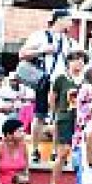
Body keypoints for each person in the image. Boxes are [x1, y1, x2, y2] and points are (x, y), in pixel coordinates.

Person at [19, 11, 78, 163]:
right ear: (59, 20)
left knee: (59, 117)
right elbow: (22, 54)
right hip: (44, 80)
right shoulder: (40, 36)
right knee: (40, 115)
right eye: (68, 19)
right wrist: (41, 50)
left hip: (63, 83)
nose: (70, 23)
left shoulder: (70, 41)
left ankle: (55, 151)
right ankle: (34, 149)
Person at [47, 49, 88, 184]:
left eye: (82, 60)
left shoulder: (87, 79)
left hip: (83, 121)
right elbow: (52, 98)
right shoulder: (61, 79)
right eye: (75, 59)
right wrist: (53, 116)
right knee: (63, 153)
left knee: (83, 154)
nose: (79, 63)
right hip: (65, 118)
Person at [0, 117, 30, 184]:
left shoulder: (23, 146)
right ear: (9, 134)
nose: (23, 134)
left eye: (23, 131)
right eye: (20, 131)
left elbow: (26, 170)